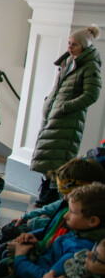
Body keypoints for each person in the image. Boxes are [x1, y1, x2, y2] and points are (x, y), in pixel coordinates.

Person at [30, 25, 102, 181]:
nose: (70, 46)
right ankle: (46, 188)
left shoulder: (90, 66)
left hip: (67, 120)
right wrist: (49, 103)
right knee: (46, 157)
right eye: (69, 42)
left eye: (74, 44)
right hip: (54, 115)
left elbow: (91, 95)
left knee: (58, 160)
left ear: (84, 46)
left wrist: (65, 107)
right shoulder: (68, 61)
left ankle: (52, 191)